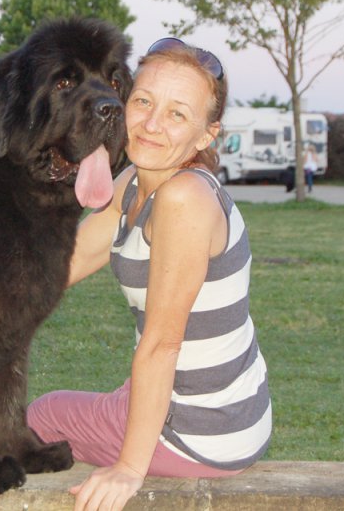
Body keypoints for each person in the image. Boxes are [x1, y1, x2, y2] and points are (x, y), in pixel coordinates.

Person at [27, 38, 271, 511]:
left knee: (42, 418)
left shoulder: (185, 201)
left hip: (204, 429)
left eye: (178, 114)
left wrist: (128, 470)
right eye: (143, 101)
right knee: (71, 408)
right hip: (226, 409)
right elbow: (61, 266)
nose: (152, 124)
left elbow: (162, 344)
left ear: (206, 135)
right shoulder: (135, 181)